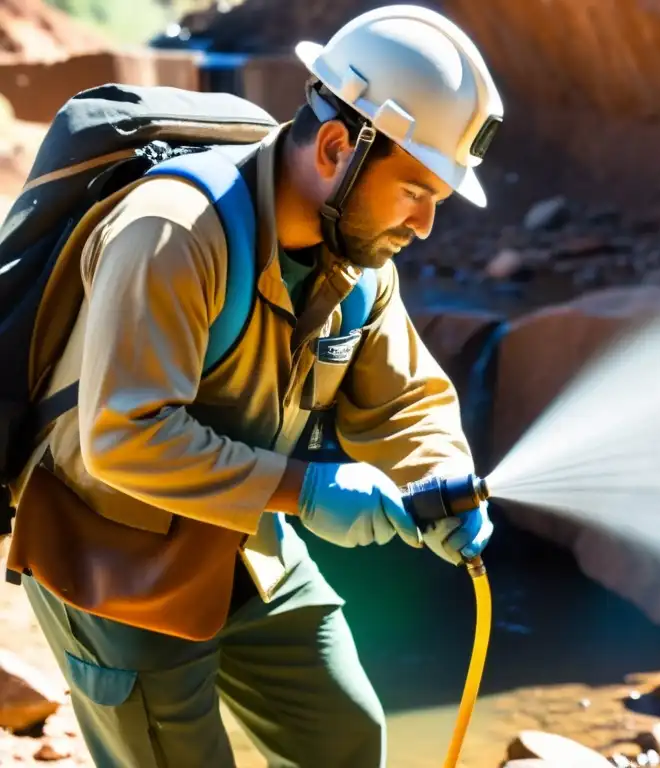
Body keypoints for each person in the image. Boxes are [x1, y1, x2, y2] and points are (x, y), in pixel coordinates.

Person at [7, 5, 503, 766]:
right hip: (111, 555)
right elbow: (123, 437)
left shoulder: (360, 264)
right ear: (338, 146)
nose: (427, 223)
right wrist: (307, 491)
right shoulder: (173, 230)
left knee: (342, 740)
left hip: (245, 538)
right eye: (416, 191)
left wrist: (436, 470)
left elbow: (404, 399)